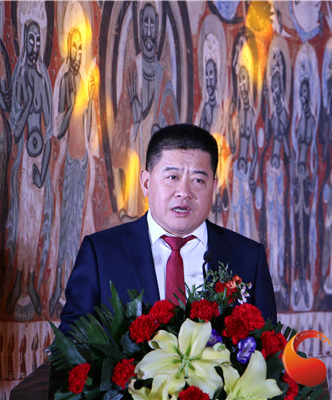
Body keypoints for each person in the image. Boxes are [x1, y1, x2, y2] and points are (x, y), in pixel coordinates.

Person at [59, 124, 277, 333]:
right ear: (146, 183)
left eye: (198, 180)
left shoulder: (249, 257)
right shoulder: (101, 253)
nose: (184, 192)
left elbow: (268, 345)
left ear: (213, 186)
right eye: (172, 177)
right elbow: (70, 344)